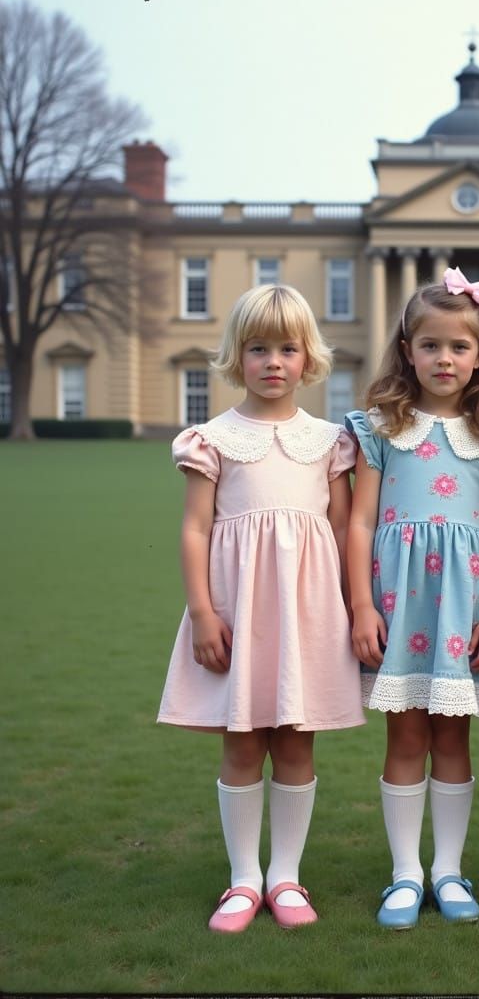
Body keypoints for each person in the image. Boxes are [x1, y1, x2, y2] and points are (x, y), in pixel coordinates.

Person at [158, 284, 364, 933]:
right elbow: (195, 529)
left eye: (287, 348)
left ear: (309, 359)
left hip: (307, 615)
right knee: (243, 741)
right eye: (258, 348)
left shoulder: (329, 440)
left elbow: (340, 527)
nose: (273, 361)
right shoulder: (212, 439)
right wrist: (202, 613)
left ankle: (287, 877)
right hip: (236, 611)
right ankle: (244, 878)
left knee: (296, 741)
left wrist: (351, 609)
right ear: (235, 356)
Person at [346, 267, 479, 929]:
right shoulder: (380, 429)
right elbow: (359, 522)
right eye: (430, 345)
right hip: (400, 604)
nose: (444, 359)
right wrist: (362, 605)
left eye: (459, 347)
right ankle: (404, 873)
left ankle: (447, 868)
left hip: (465, 609)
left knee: (453, 735)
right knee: (405, 734)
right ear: (407, 350)